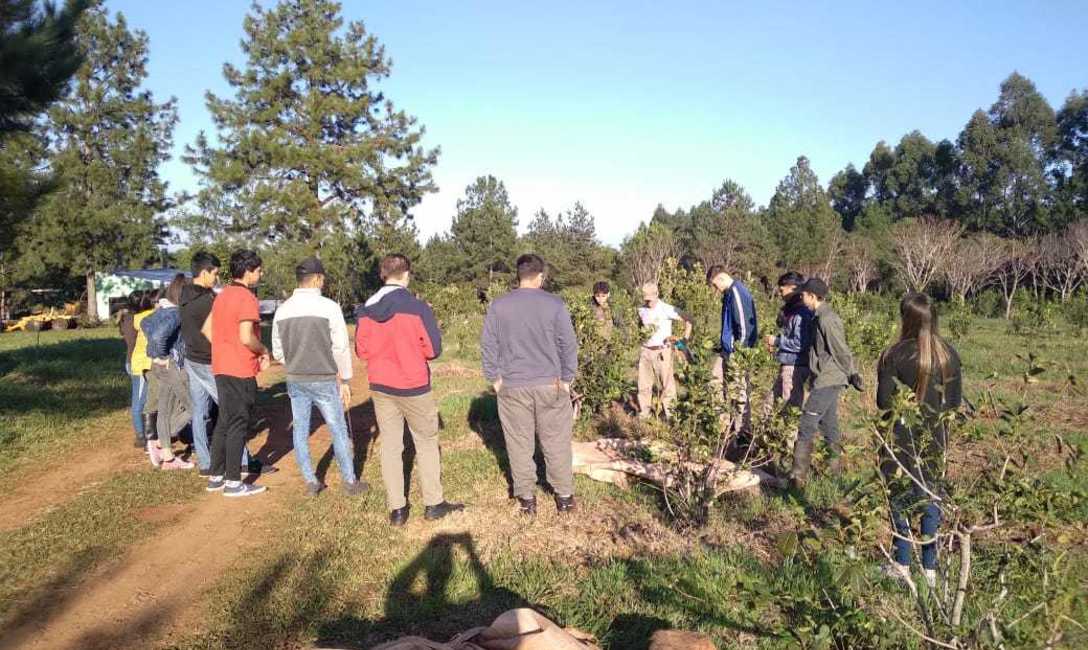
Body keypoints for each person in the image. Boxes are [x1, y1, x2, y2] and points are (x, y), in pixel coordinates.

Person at [356, 254, 463, 525]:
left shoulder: (366, 309)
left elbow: (361, 350)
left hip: (381, 385)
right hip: (413, 385)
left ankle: (397, 510)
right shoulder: (417, 307)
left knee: (391, 446)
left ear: (383, 275)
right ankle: (433, 503)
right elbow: (433, 349)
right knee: (425, 442)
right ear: (406, 275)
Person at [481, 254, 579, 516]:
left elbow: (488, 345)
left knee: (518, 444)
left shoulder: (499, 305)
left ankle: (527, 500)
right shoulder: (555, 304)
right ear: (540, 276)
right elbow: (568, 344)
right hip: (551, 384)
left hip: (513, 386)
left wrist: (495, 379)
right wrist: (567, 378)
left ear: (519, 276)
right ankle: (564, 497)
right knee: (556, 442)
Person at [877, 293, 962, 587]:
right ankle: (930, 568)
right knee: (930, 496)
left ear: (906, 319)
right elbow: (953, 404)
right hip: (935, 438)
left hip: (899, 436)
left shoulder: (893, 355)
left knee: (898, 496)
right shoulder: (949, 355)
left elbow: (883, 402)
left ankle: (901, 562)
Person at [272, 257, 367, 497]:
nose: (323, 282)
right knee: (338, 428)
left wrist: (295, 363)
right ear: (316, 278)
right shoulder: (329, 307)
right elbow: (340, 347)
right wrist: (345, 379)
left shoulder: (282, 310)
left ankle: (311, 481)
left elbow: (278, 351)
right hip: (324, 378)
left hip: (295, 378)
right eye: (322, 278)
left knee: (300, 430)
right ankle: (350, 481)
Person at [180, 252, 268, 477]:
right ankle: (241, 466)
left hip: (196, 360)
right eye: (215, 274)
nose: (217, 278)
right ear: (204, 273)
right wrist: (231, 349)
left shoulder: (189, 296)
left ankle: (209, 465)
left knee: (204, 414)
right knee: (234, 415)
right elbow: (240, 335)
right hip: (216, 362)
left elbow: (206, 329)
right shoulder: (212, 299)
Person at [202, 249, 270, 497]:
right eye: (258, 270)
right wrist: (263, 351)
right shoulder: (247, 297)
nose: (260, 274)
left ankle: (216, 476)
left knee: (224, 422)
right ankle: (233, 482)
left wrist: (224, 348)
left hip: (221, 367)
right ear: (248, 272)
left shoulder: (222, 295)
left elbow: (207, 329)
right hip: (240, 369)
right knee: (238, 424)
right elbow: (246, 337)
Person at [789, 278, 863, 485]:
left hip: (829, 379)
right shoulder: (817, 316)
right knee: (829, 426)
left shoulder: (827, 319)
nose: (801, 297)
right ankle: (834, 476)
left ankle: (797, 478)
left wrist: (853, 373)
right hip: (823, 378)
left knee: (806, 423)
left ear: (813, 296)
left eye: (804, 294)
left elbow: (840, 349)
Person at [141, 274, 195, 470]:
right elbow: (158, 336)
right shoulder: (177, 313)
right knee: (195, 407)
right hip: (173, 366)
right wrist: (160, 354)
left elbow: (144, 323)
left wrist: (155, 355)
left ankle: (167, 456)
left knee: (164, 409)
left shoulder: (162, 310)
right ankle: (161, 441)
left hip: (161, 367)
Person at [706, 266, 759, 434]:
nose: (716, 289)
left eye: (715, 285)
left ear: (721, 277)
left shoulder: (737, 292)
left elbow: (745, 327)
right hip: (726, 351)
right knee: (715, 382)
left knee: (738, 392)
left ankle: (742, 432)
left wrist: (739, 353)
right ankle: (722, 427)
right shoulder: (728, 294)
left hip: (738, 354)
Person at [636, 282, 692, 419]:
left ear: (657, 294)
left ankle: (671, 416)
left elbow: (688, 319)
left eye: (650, 299)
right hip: (646, 351)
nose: (648, 302)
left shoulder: (667, 309)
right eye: (646, 299)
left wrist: (684, 340)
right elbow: (640, 327)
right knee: (643, 385)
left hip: (662, 351)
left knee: (667, 385)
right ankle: (645, 413)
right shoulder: (641, 310)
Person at [763, 272, 813, 411]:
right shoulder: (793, 311)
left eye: (782, 290)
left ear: (792, 287)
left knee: (790, 408)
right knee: (769, 405)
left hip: (795, 367)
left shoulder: (801, 314)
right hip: (788, 364)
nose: (780, 294)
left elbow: (800, 343)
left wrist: (777, 341)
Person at [122, 291, 155, 449]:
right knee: (140, 401)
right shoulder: (140, 319)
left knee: (144, 399)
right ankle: (142, 436)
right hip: (139, 364)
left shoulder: (129, 319)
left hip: (135, 362)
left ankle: (146, 432)